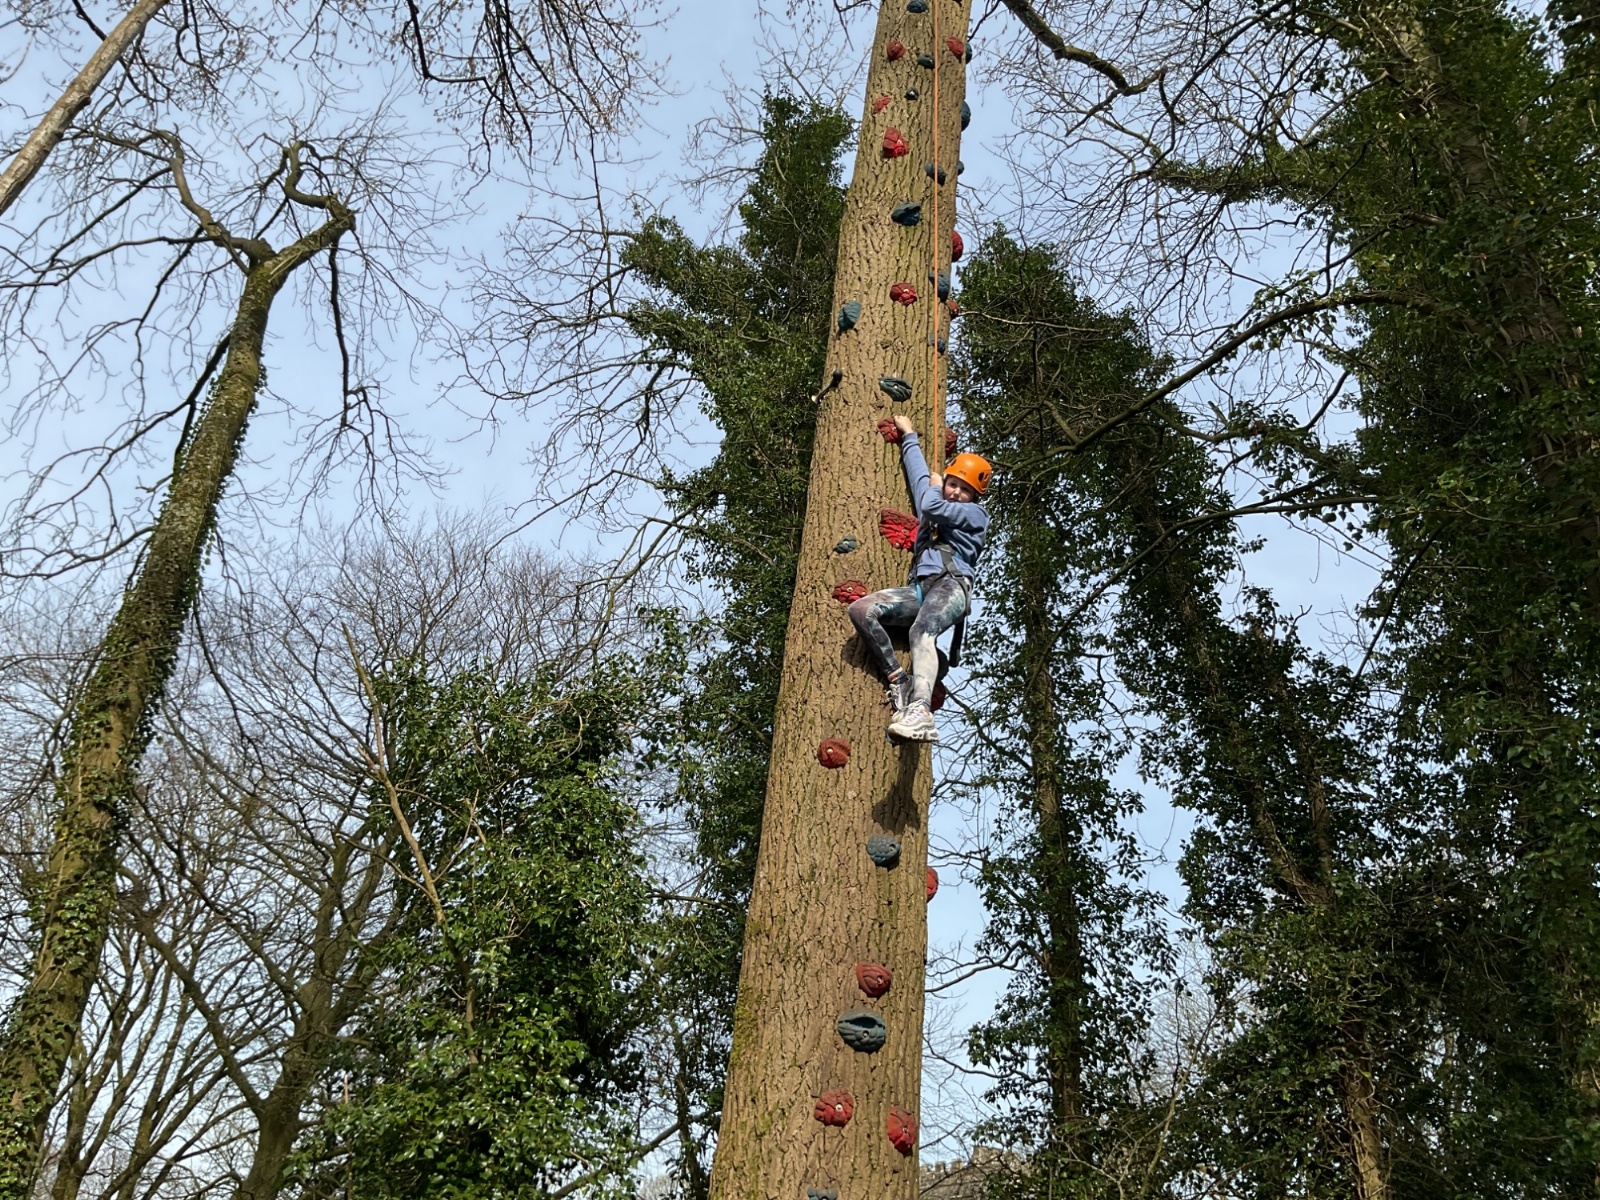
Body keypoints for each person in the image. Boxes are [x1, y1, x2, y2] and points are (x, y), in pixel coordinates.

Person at [848, 414, 992, 742]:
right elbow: (919, 478)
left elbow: (928, 501)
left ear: (974, 498)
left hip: (952, 585)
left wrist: (936, 487)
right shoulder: (935, 500)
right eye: (953, 484)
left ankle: (922, 711)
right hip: (921, 589)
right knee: (861, 609)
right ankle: (899, 681)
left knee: (921, 630)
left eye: (965, 490)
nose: (956, 493)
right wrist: (909, 436)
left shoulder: (975, 514)